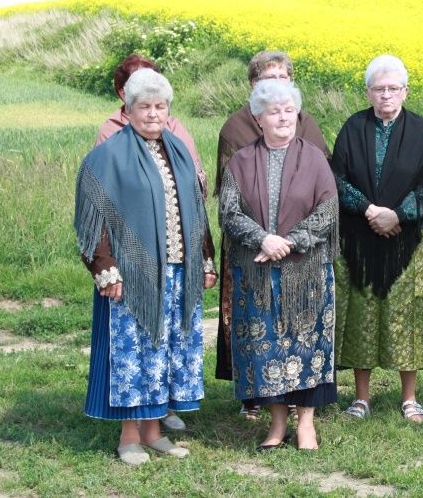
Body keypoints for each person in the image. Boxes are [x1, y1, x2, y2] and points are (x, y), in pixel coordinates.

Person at [75, 68, 216, 466]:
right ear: (129, 108)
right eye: (144, 107)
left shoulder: (179, 151)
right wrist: (106, 268)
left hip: (177, 272)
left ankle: (154, 432)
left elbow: (196, 211)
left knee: (166, 350)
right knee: (133, 353)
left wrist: (205, 259)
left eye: (160, 106)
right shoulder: (108, 156)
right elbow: (93, 216)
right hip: (132, 276)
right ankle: (128, 438)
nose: (153, 114)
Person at [218, 79, 338, 451]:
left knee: (306, 343)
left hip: (306, 270)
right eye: (274, 111)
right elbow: (228, 212)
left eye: (289, 110)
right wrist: (263, 239)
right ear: (259, 118)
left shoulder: (315, 157)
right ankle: (275, 425)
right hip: (257, 271)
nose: (283, 117)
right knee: (265, 346)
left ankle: (306, 426)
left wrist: (291, 241)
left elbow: (328, 209)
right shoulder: (240, 160)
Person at [332, 54, 423, 424]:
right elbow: (336, 179)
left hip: (406, 241)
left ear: (405, 91)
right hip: (360, 240)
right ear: (368, 92)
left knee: (408, 316)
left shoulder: (421, 130)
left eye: (393, 88)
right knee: (362, 315)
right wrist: (370, 210)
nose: (386, 95)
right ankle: (361, 398)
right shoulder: (353, 128)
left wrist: (397, 215)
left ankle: (410, 398)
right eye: (379, 89)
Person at [96, 54, 207, 196]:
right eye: (140, 84)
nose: (153, 114)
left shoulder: (173, 127)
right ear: (123, 93)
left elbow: (195, 179)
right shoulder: (111, 130)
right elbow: (104, 188)